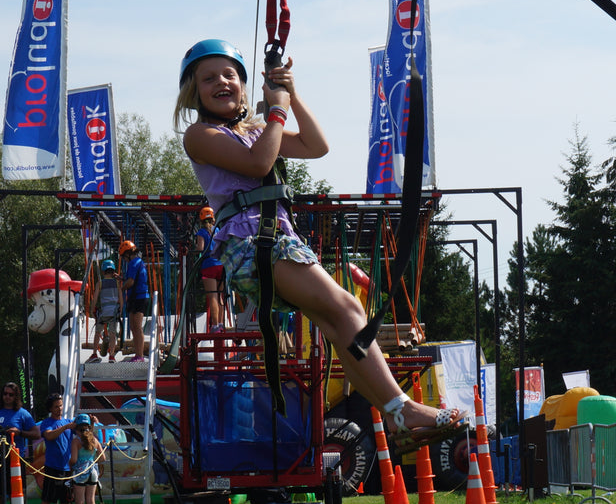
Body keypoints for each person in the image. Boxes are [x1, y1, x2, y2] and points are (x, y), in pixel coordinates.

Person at [174, 39, 464, 450]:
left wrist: (290, 96)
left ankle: (395, 414)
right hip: (252, 243)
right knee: (348, 309)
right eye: (209, 78)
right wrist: (277, 111)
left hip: (274, 240)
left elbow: (316, 146)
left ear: (242, 84)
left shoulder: (255, 130)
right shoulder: (200, 135)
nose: (222, 82)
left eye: (230, 75)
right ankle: (403, 408)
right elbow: (259, 163)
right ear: (193, 91)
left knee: (338, 324)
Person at [36, 394, 77, 504]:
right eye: (56, 407)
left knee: (66, 499)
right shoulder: (46, 423)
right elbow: (49, 435)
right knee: (47, 499)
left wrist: (91, 422)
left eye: (60, 405)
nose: (59, 409)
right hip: (52, 467)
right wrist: (65, 427)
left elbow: (84, 431)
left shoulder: (68, 421)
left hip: (67, 468)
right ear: (50, 408)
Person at [193, 206, 226, 332]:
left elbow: (200, 248)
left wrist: (193, 250)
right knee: (220, 296)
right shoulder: (217, 230)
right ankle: (221, 323)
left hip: (209, 265)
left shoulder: (202, 232)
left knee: (212, 296)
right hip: (220, 264)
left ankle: (215, 325)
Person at [68, 414, 102, 504]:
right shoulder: (94, 440)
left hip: (80, 473)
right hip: (93, 472)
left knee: (79, 502)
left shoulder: (76, 441)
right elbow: (103, 458)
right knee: (91, 501)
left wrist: (70, 465)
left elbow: (73, 459)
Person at [120, 240, 151, 361]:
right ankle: (138, 355)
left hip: (139, 297)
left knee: (137, 327)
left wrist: (121, 289)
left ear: (128, 254)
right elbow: (133, 279)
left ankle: (140, 355)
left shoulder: (133, 263)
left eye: (124, 257)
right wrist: (122, 279)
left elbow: (131, 282)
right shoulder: (139, 262)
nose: (124, 260)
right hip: (137, 297)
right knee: (133, 326)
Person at [88, 259, 123, 363]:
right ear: (113, 271)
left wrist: (92, 309)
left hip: (103, 313)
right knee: (112, 334)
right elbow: (121, 298)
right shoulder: (117, 283)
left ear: (103, 271)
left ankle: (94, 353)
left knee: (97, 332)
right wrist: (121, 309)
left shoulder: (100, 283)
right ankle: (111, 355)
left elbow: (95, 298)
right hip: (114, 312)